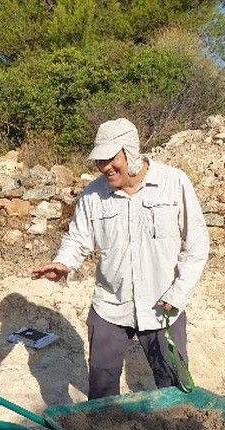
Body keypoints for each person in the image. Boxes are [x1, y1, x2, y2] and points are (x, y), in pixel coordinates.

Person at [31, 118, 209, 399]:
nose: (104, 168)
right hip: (111, 306)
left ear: (131, 152)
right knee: (101, 387)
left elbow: (197, 245)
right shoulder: (92, 194)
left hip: (163, 305)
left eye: (110, 158)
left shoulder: (174, 183)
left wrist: (179, 292)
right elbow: (78, 239)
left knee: (174, 384)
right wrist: (64, 263)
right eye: (99, 161)